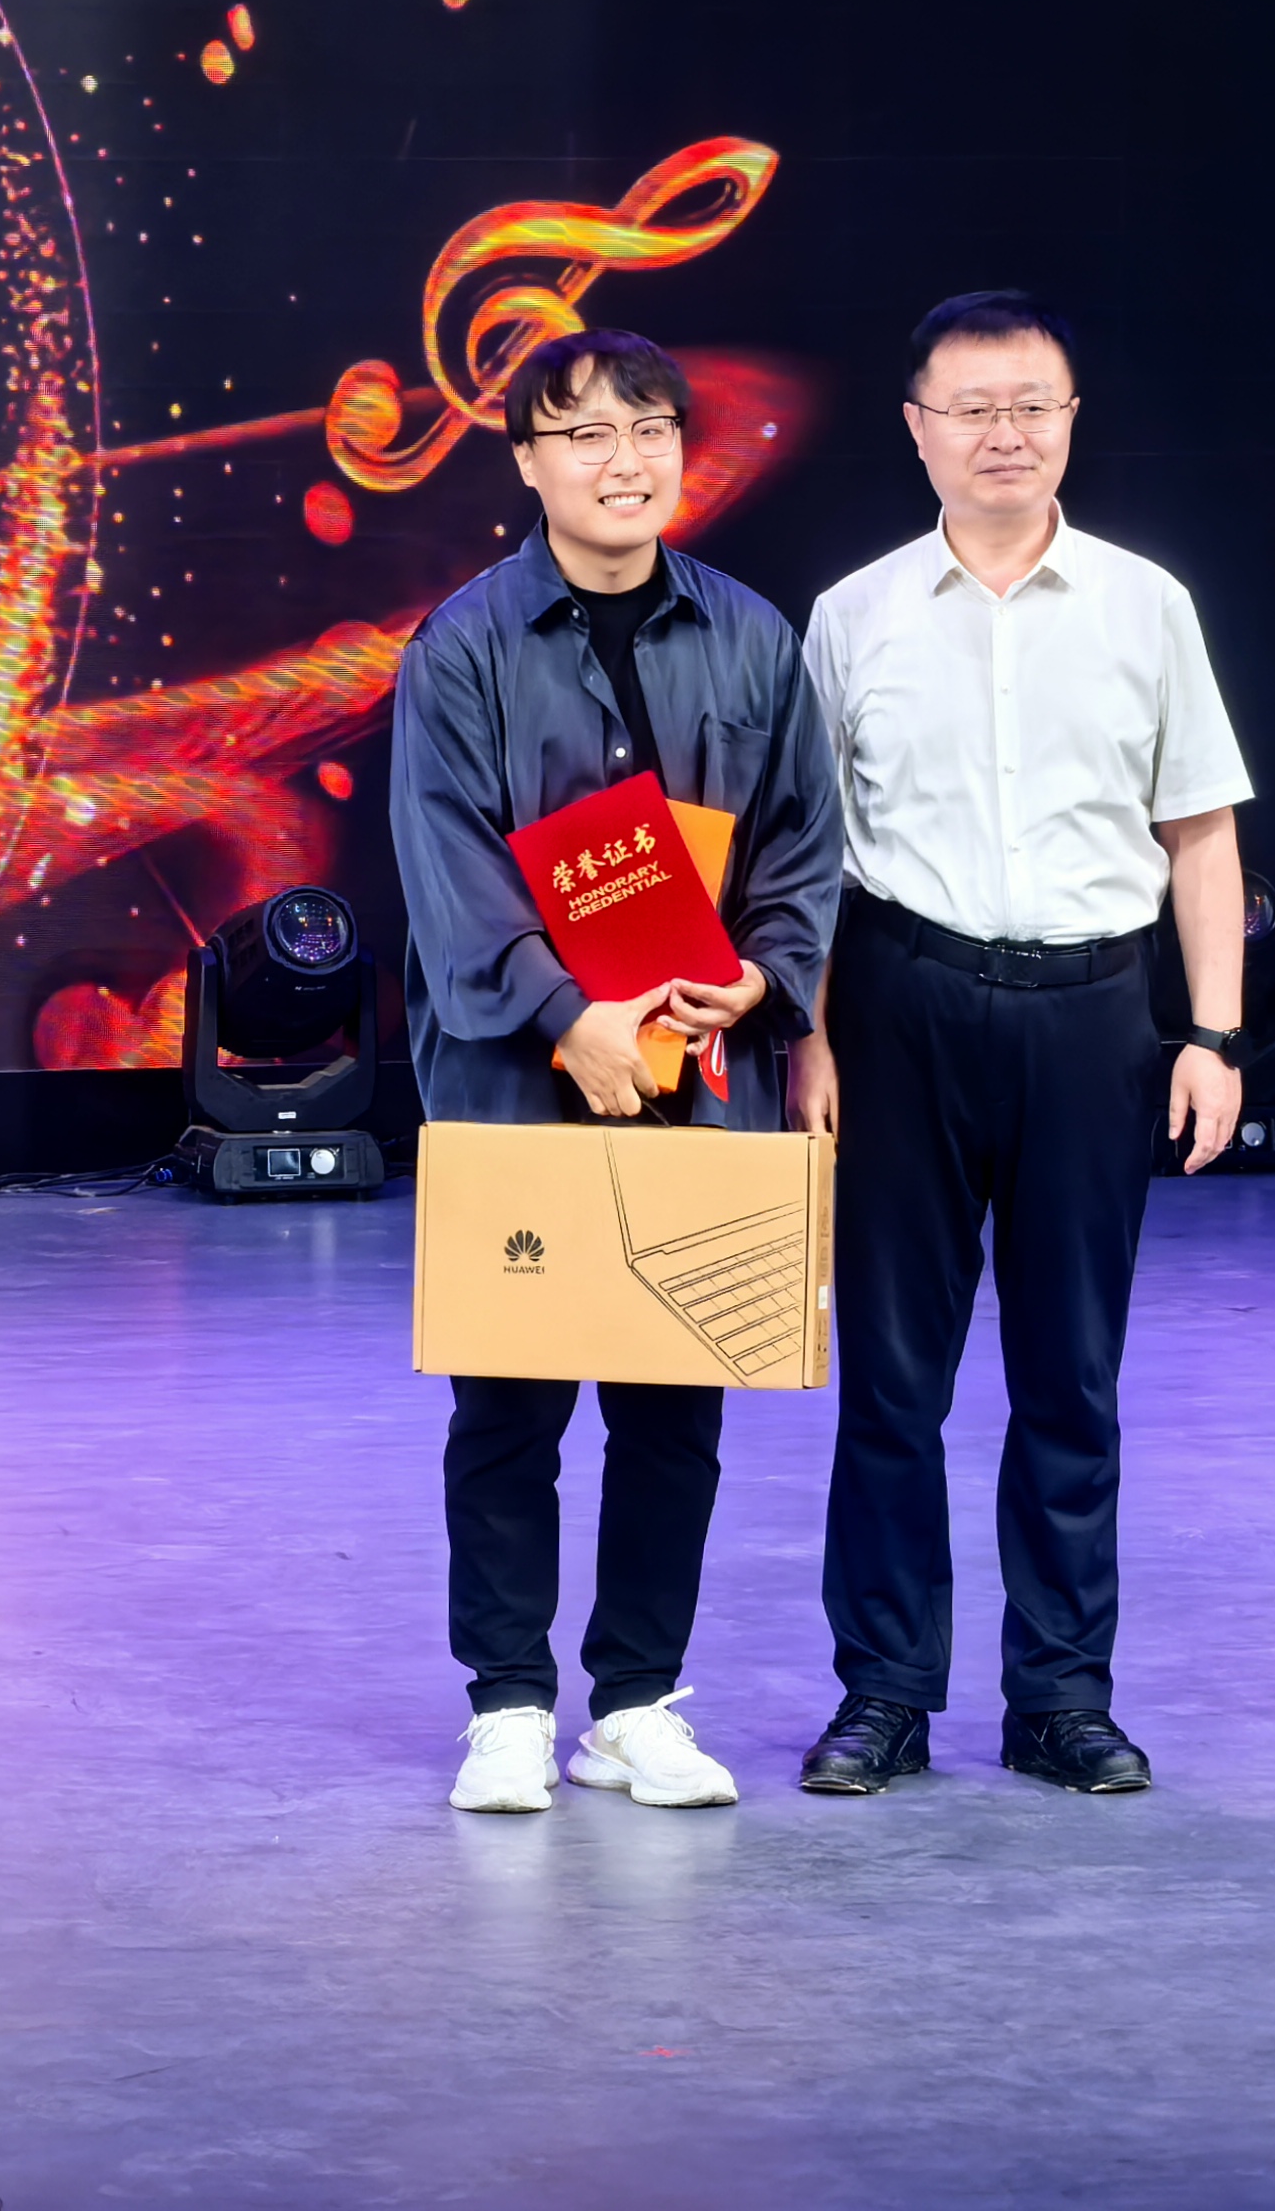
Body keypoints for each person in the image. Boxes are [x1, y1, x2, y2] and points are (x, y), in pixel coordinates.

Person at [791, 290, 1255, 1798]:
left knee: (1071, 1378)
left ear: (1069, 421)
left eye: (1031, 405)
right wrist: (810, 1037)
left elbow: (1200, 834)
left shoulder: (1146, 605)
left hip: (1094, 1018)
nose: (1005, 432)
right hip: (901, 1007)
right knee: (891, 1382)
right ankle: (883, 1695)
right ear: (917, 429)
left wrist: (1212, 1034)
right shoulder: (852, 615)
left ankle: (1061, 1698)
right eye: (972, 407)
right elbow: (809, 857)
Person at [388, 327, 843, 1813]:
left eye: (649, 430)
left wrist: (766, 977)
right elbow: (447, 862)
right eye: (583, 434)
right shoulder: (463, 644)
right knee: (507, 1408)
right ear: (527, 463)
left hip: (701, 1069)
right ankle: (509, 1705)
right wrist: (562, 1014)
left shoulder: (753, 637)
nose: (624, 461)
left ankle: (636, 1703)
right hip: (519, 1079)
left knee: (673, 1409)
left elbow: (802, 846)